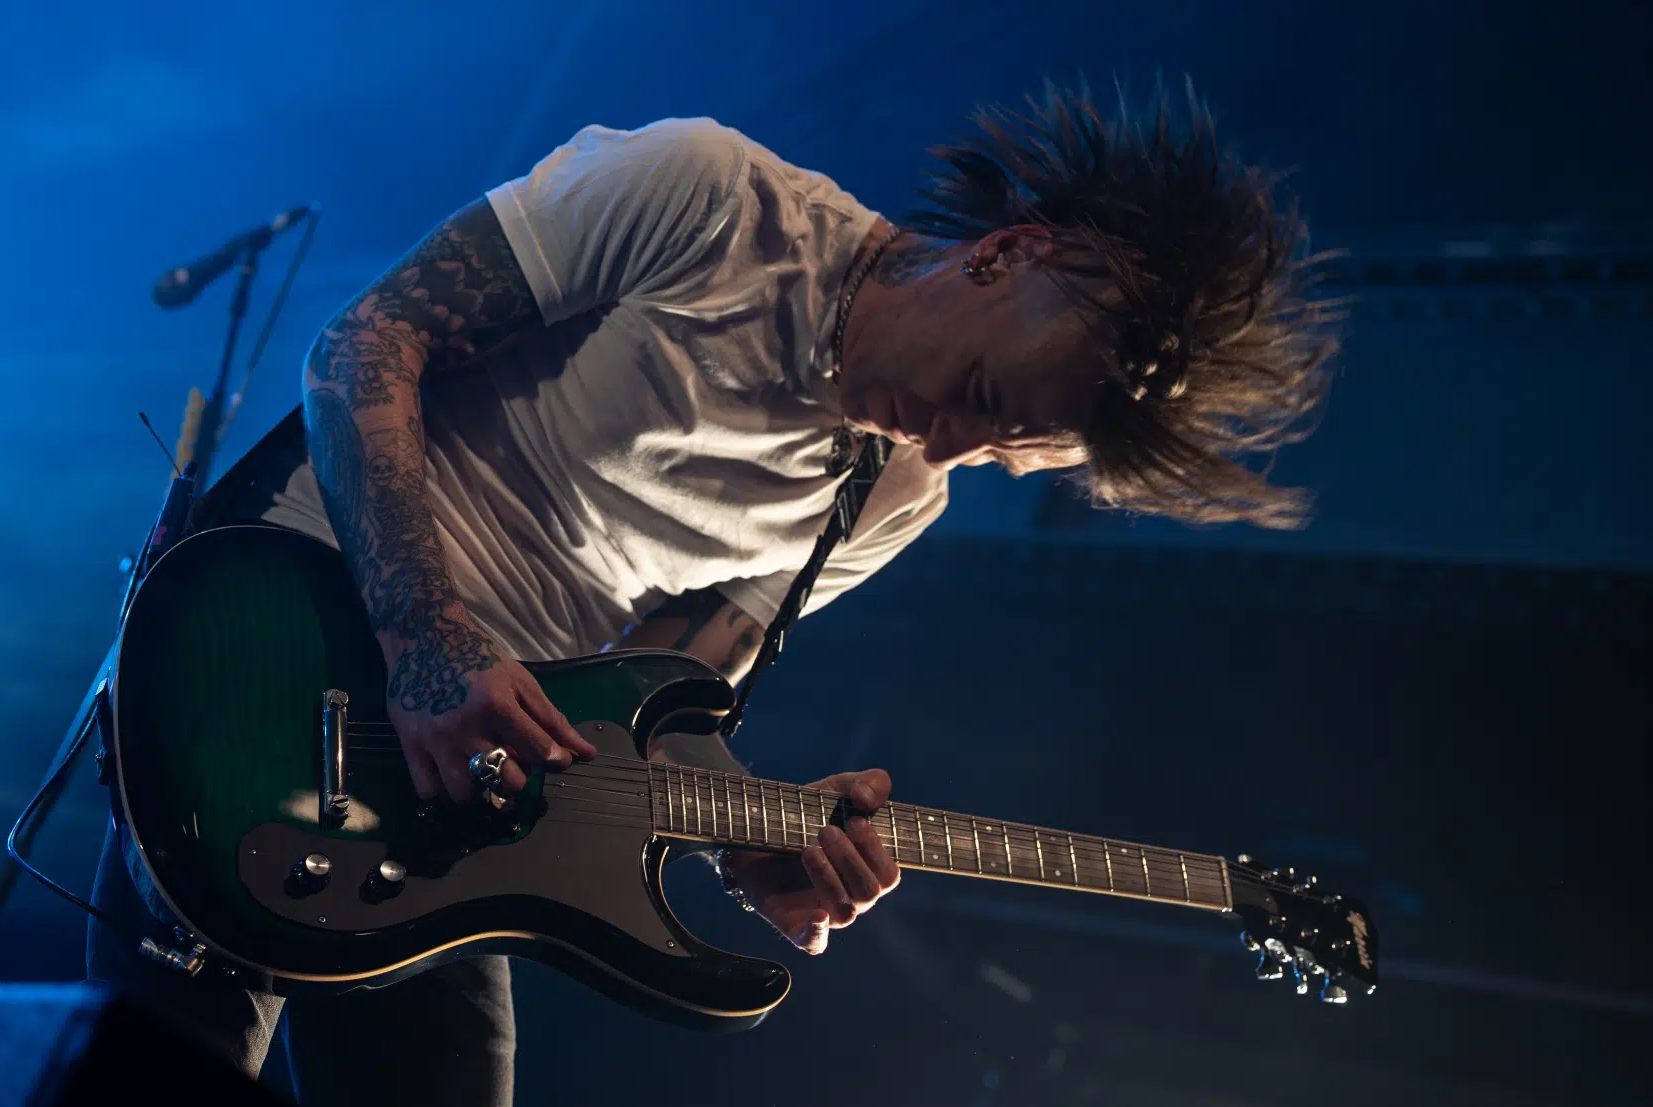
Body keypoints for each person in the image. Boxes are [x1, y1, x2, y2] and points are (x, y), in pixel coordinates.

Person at [87, 83, 1336, 1104]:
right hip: (281, 641)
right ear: (1004, 256)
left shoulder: (895, 496)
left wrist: (755, 843)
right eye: (980, 396)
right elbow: (366, 344)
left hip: (473, 780)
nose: (950, 443)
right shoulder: (711, 198)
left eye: (999, 453)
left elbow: (666, 696)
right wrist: (425, 642)